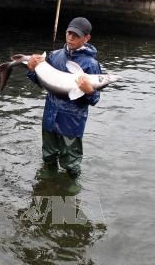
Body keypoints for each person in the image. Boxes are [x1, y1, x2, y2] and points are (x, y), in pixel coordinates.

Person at [26, 17, 101, 179]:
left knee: (71, 164)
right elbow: (43, 83)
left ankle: (69, 192)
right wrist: (32, 70)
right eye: (69, 33)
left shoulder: (91, 64)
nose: (71, 38)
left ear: (87, 38)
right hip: (49, 118)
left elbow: (95, 99)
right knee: (48, 158)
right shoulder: (55, 56)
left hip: (71, 123)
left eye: (76, 35)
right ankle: (47, 186)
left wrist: (89, 91)